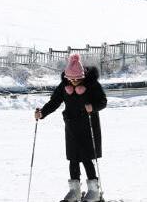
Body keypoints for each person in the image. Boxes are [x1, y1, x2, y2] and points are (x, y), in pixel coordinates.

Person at [35, 54, 107, 202]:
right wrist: (42, 113)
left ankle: (94, 191)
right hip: (72, 127)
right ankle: (74, 191)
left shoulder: (92, 84)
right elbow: (54, 102)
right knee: (73, 159)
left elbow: (103, 101)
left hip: (88, 126)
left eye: (77, 79)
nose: (74, 82)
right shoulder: (64, 86)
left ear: (83, 76)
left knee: (87, 158)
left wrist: (92, 107)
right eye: (71, 79)